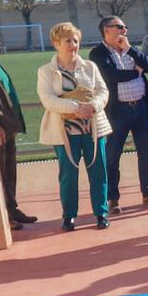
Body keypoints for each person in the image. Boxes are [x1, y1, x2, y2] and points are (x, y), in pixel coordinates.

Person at [35, 21, 111, 231]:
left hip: (93, 129)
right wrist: (77, 106)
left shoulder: (90, 67)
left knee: (98, 171)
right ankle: (69, 215)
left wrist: (92, 107)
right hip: (65, 132)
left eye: (75, 40)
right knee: (68, 174)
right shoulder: (46, 71)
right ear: (56, 43)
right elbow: (48, 99)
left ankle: (101, 212)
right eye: (67, 40)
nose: (73, 45)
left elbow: (102, 92)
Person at [90, 15, 148, 212]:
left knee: (146, 153)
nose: (125, 30)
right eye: (120, 27)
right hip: (117, 111)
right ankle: (112, 199)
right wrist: (136, 73)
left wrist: (130, 50)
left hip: (140, 108)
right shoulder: (97, 53)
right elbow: (110, 76)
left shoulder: (131, 49)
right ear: (107, 30)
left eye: (125, 26)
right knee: (113, 155)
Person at [0, 24, 38, 228]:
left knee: (10, 169)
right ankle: (6, 215)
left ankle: (12, 208)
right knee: (1, 173)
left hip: (8, 127)